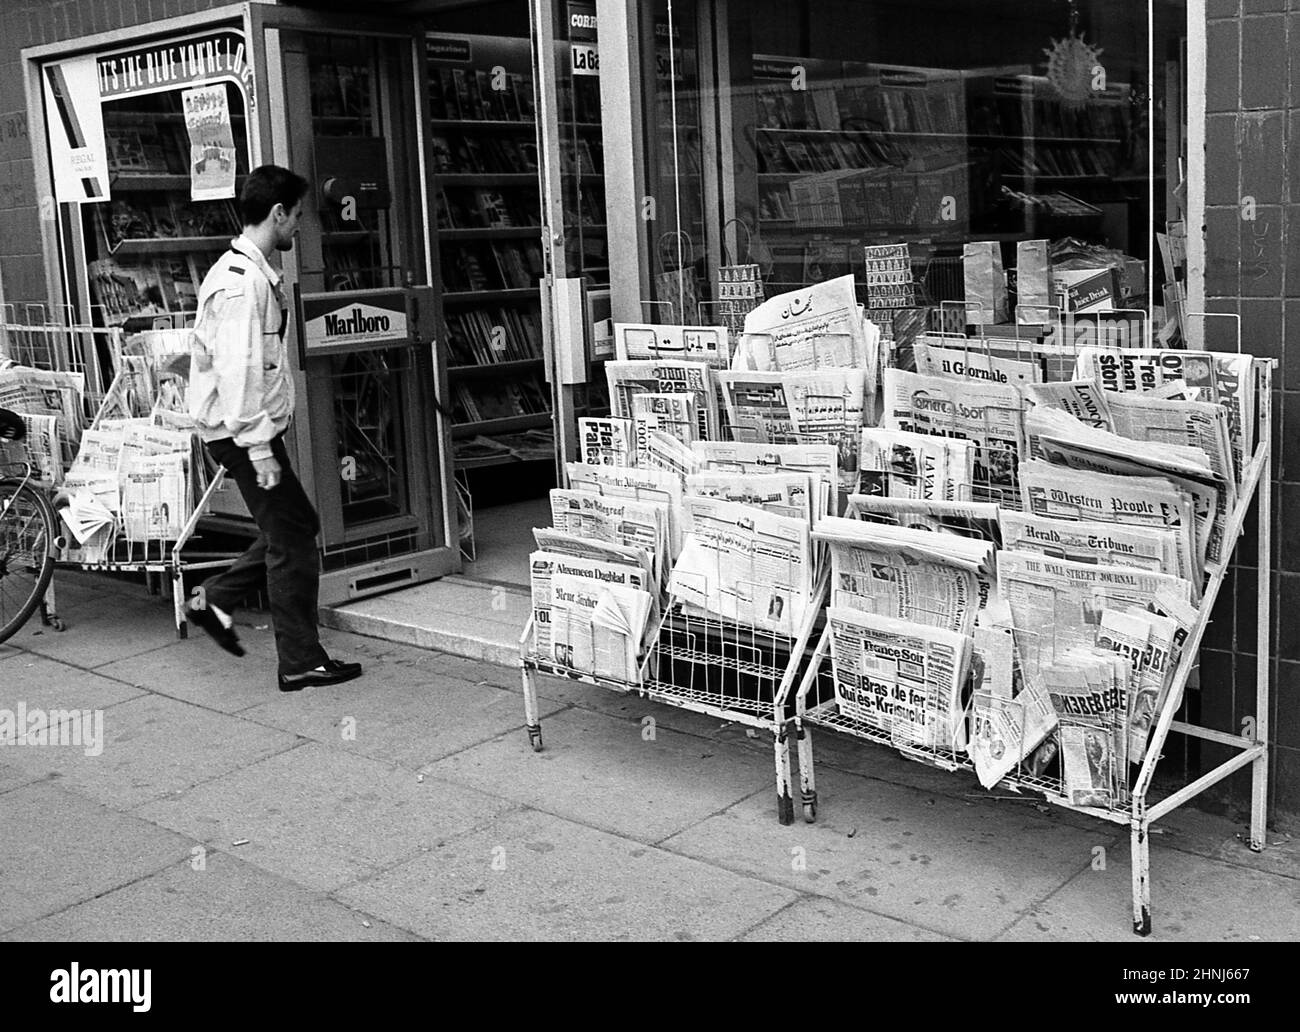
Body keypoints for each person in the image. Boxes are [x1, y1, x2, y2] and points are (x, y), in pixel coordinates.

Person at [184, 164, 362, 692]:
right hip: (242, 435)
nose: (300, 228)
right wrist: (259, 447)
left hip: (243, 433)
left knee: (294, 528)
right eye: (298, 217)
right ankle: (300, 660)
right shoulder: (242, 286)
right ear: (277, 213)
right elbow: (238, 373)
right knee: (294, 543)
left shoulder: (252, 273)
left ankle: (214, 599)